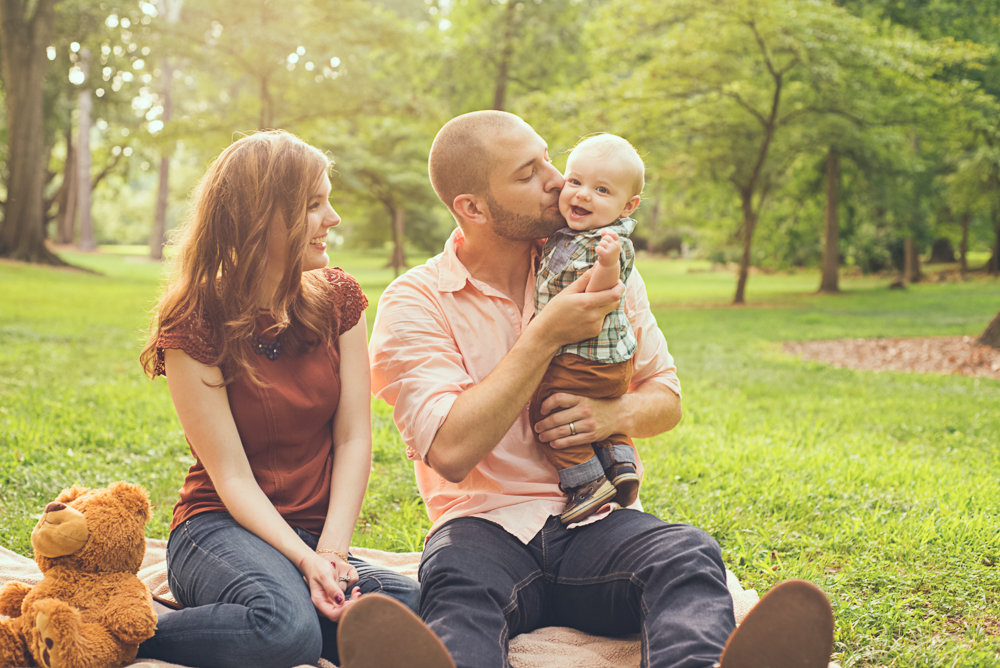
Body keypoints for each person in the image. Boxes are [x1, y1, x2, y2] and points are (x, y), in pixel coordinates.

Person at [368, 111, 835, 668]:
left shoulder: (602, 263)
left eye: (548, 158)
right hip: (483, 529)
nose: (556, 179)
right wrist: (546, 335)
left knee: (687, 554)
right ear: (472, 207)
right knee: (457, 587)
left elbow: (666, 397)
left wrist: (612, 414)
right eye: (527, 173)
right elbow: (449, 451)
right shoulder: (415, 301)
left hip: (593, 523)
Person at [135, 130, 420, 668]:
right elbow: (232, 477)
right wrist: (304, 560)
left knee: (411, 603)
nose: (332, 218)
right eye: (313, 205)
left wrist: (330, 555)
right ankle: (130, 624)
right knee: (285, 631)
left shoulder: (339, 299)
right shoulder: (194, 324)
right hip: (218, 527)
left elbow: (355, 434)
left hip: (314, 534)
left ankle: (290, 611)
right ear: (259, 216)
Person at [528, 133, 645, 524]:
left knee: (546, 407)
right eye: (575, 181)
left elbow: (596, 297)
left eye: (601, 190)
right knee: (582, 408)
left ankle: (586, 482)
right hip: (608, 365)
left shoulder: (610, 242)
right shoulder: (570, 234)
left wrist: (607, 262)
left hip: (586, 360)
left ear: (628, 206)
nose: (582, 195)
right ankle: (619, 462)